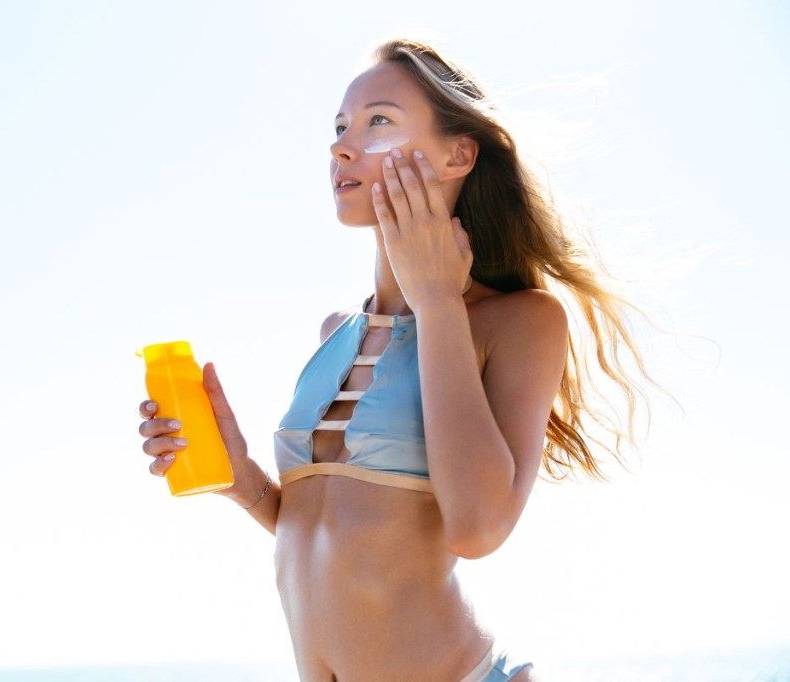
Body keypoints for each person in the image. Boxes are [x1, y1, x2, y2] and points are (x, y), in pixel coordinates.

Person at [138, 38, 651, 682]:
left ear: (457, 154)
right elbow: (345, 539)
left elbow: (478, 529)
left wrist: (436, 303)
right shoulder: (335, 333)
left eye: (378, 120)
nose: (342, 146)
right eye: (340, 125)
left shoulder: (521, 321)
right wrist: (240, 478)